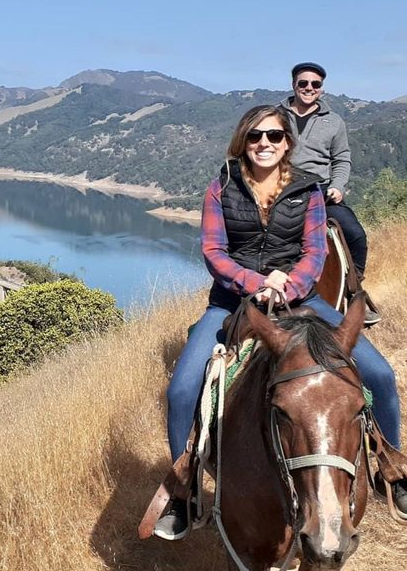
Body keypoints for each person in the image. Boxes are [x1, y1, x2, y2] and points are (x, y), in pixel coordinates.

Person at [153, 104, 404, 541]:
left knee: (380, 373)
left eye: (273, 136)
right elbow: (214, 252)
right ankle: (185, 489)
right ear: (242, 141)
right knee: (181, 389)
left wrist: (286, 288)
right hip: (232, 302)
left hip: (301, 300)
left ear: (287, 142)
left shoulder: (307, 191)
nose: (264, 144)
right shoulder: (222, 188)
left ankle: (392, 468)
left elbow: (315, 251)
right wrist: (254, 283)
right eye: (255, 136)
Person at [279, 62, 380, 325]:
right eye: (303, 83)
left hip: (319, 191)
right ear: (294, 85)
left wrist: (337, 186)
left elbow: (342, 158)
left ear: (322, 89)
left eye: (315, 84)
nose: (309, 88)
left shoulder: (334, 121)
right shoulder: (275, 116)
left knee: (355, 235)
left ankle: (355, 292)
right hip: (280, 190)